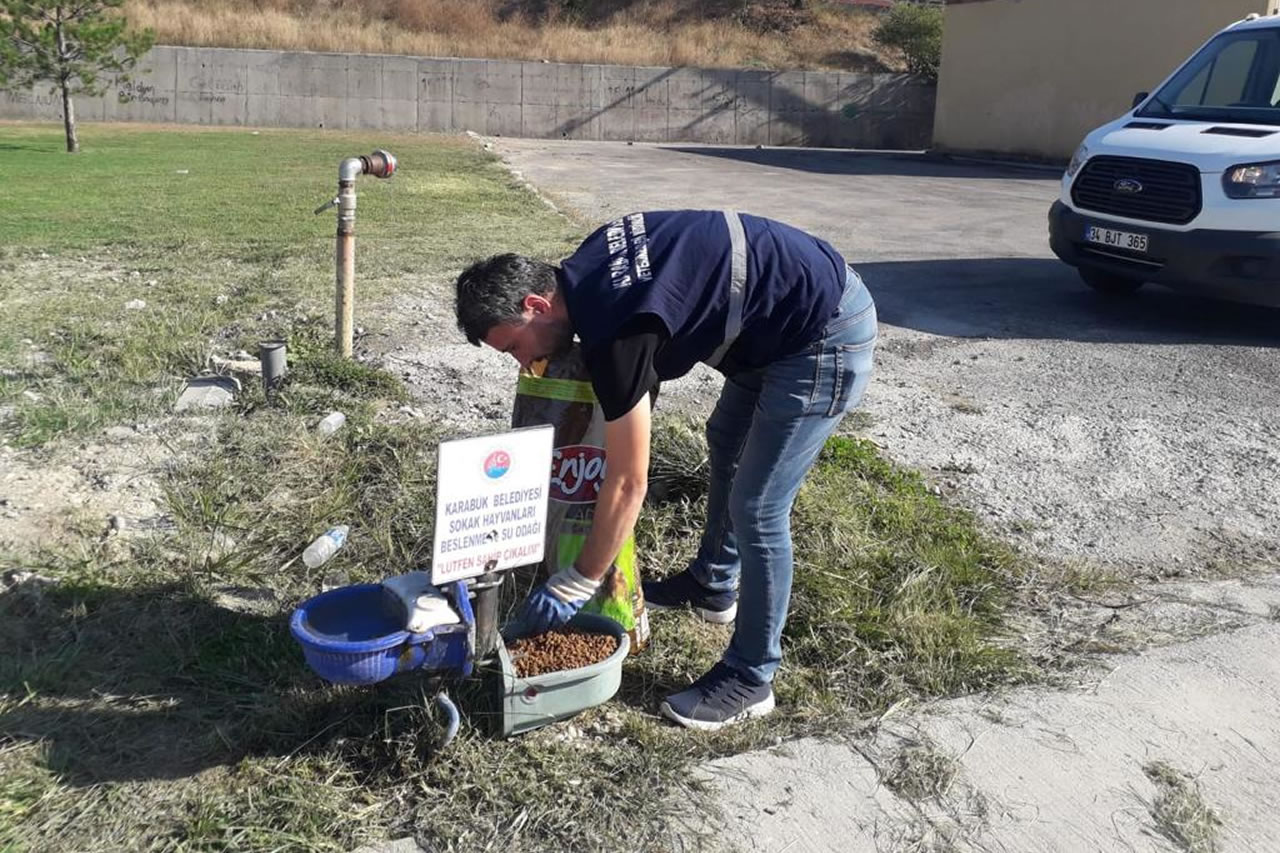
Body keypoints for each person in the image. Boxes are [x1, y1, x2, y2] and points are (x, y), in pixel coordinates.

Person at [454, 210, 877, 730]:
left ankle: (751, 676)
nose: (525, 365)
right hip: (770, 322)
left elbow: (629, 481)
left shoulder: (614, 329)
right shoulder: (585, 272)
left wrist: (578, 580)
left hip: (820, 330)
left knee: (759, 507)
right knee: (725, 440)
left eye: (515, 347)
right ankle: (713, 584)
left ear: (537, 304)